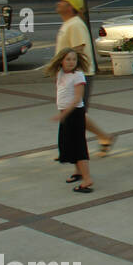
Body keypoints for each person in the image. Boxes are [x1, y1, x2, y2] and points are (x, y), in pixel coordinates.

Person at [53, 0, 114, 154]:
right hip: (69, 76)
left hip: (79, 75)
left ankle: (76, 151)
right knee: (75, 113)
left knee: (75, 113)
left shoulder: (75, 25)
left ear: (70, 7)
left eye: (62, 1)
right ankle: (101, 138)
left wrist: (69, 74)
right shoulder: (69, 23)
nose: (58, 3)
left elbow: (78, 49)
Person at [45, 48, 93, 193]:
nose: (71, 62)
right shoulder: (60, 73)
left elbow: (78, 98)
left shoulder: (78, 76)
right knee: (69, 144)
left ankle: (87, 179)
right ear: (61, 61)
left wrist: (63, 114)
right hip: (66, 114)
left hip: (75, 114)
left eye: (74, 59)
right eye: (68, 59)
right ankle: (78, 171)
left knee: (78, 146)